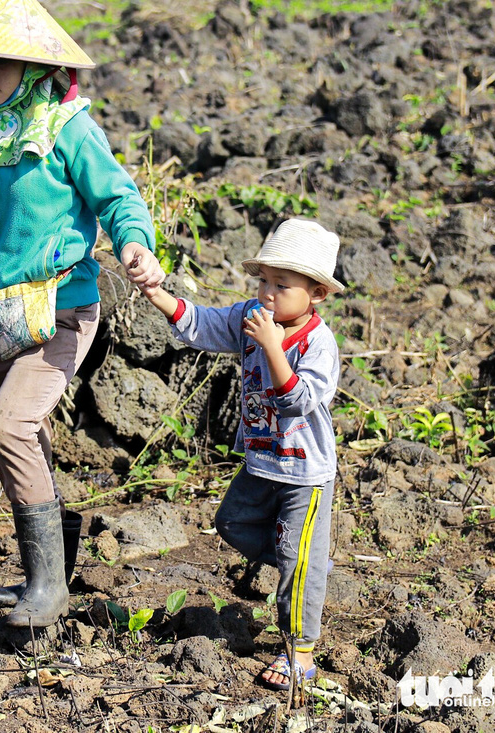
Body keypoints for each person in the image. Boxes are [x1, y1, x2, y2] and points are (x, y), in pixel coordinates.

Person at [0, 0, 164, 629]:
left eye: (2, 62)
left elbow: (118, 195)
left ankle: (48, 589)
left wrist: (134, 242)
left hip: (63, 308)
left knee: (8, 429)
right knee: (26, 439)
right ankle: (49, 570)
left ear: (31, 63)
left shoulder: (64, 125)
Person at [137, 218, 342, 690]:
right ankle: (309, 564)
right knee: (231, 523)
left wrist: (272, 347)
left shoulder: (318, 343)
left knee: (295, 556)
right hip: (263, 462)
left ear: (317, 294)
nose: (268, 293)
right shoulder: (251, 315)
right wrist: (159, 295)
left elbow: (299, 401)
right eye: (263, 281)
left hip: (305, 471)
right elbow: (207, 325)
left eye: (282, 285)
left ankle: (300, 653)